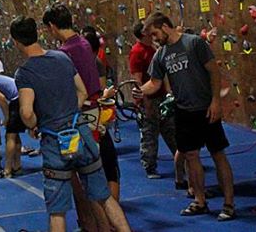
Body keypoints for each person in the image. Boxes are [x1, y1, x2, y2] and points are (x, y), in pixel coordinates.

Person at [11, 16, 130, 232]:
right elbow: (82, 91)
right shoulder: (62, 58)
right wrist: (68, 113)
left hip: (54, 139)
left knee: (57, 210)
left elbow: (27, 113)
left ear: (16, 41)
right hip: (79, 131)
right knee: (104, 196)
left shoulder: (25, 73)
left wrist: (36, 123)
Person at [135, 12, 235, 221]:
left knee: (218, 154)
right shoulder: (161, 55)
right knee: (190, 156)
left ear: (164, 26)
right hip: (183, 111)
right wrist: (140, 90)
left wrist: (216, 101)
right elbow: (155, 82)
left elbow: (213, 72)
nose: (154, 39)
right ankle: (199, 200)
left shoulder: (194, 43)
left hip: (206, 109)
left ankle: (228, 204)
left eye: (155, 34)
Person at [42, 4, 113, 230]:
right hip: (93, 111)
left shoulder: (65, 53)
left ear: (52, 26)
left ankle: (94, 225)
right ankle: (93, 225)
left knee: (82, 177)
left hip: (81, 115)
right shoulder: (83, 43)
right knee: (91, 175)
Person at [129, 22, 186, 184]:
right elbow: (137, 79)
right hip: (148, 98)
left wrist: (168, 92)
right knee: (150, 133)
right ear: (143, 34)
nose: (152, 35)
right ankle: (150, 166)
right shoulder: (137, 52)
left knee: (171, 129)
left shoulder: (153, 48)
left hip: (160, 95)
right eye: (149, 32)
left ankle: (183, 161)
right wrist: (143, 100)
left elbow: (162, 73)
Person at [83, 26, 122, 201]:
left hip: (94, 120)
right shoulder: (80, 66)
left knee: (107, 163)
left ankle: (110, 204)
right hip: (88, 121)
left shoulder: (96, 64)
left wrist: (103, 96)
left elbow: (99, 91)